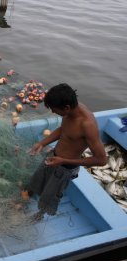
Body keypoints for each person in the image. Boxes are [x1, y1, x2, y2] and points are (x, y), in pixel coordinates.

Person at [27, 83, 107, 221]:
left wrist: (63, 161)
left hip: (64, 168)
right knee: (37, 179)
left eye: (54, 109)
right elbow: (63, 129)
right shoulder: (71, 109)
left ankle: (40, 215)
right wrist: (42, 143)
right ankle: (27, 196)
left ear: (66, 108)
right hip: (53, 156)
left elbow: (101, 160)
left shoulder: (87, 125)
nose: (53, 112)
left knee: (50, 195)